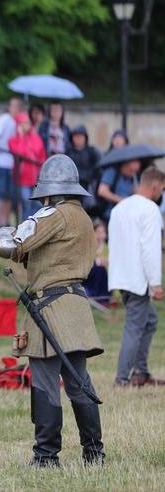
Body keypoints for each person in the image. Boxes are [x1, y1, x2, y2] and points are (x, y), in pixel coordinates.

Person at [0, 154, 105, 467]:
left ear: (50, 191)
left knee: (44, 381)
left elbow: (15, 242)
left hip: (51, 307)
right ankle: (94, 453)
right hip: (75, 307)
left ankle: (46, 457)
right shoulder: (82, 217)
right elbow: (40, 253)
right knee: (79, 382)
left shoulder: (54, 215)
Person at [108, 166, 165, 387]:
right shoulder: (150, 210)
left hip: (121, 276)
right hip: (138, 278)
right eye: (162, 188)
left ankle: (140, 370)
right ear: (154, 186)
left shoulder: (119, 208)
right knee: (135, 327)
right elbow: (149, 249)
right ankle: (122, 379)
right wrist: (156, 283)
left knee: (150, 320)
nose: (161, 193)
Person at [8, 113, 46, 220]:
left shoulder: (36, 138)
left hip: (37, 178)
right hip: (23, 179)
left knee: (38, 205)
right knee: (26, 204)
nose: (25, 125)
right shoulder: (13, 140)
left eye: (27, 123)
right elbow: (20, 152)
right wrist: (20, 137)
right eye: (23, 123)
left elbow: (41, 154)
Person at [0, 98, 23, 227]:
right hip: (0, 161)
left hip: (11, 163)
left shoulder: (18, 122)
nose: (14, 109)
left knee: (8, 195)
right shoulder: (4, 119)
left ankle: (6, 222)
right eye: (12, 106)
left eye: (17, 107)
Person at [82, 220, 112, 305]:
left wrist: (106, 261)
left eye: (102, 232)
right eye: (98, 232)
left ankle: (104, 298)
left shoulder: (108, 249)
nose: (100, 235)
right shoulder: (88, 248)